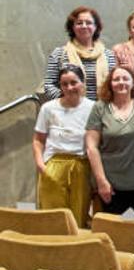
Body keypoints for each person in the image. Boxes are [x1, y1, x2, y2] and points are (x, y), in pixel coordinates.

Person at [33, 64, 94, 227]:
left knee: (77, 217)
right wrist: (41, 164)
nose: (69, 87)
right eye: (64, 84)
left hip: (81, 166)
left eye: (74, 82)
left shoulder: (93, 108)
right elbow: (38, 139)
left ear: (82, 83)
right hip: (53, 165)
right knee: (52, 216)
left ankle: (75, 251)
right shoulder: (48, 108)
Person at [85, 67, 134, 215]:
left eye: (125, 78)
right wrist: (101, 181)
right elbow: (91, 147)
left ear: (133, 83)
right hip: (110, 185)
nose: (121, 82)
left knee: (131, 226)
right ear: (110, 83)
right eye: (116, 79)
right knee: (113, 228)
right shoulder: (99, 107)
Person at [44, 6, 116, 101]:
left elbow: (114, 85)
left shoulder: (109, 55)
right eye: (79, 23)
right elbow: (49, 85)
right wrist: (69, 101)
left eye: (89, 23)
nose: (84, 26)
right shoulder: (59, 54)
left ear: (96, 27)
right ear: (72, 27)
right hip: (69, 111)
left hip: (102, 111)